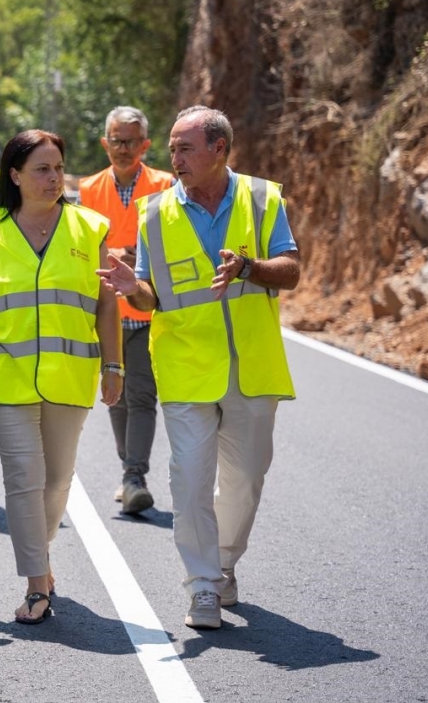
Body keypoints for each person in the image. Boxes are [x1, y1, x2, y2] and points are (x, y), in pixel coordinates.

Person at [97, 105, 300, 630]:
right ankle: (203, 585)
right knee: (189, 480)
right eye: (171, 149)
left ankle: (225, 561)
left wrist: (250, 269)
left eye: (185, 148)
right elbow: (150, 296)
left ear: (219, 150)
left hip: (251, 368)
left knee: (245, 480)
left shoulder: (261, 199)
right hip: (186, 367)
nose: (175, 158)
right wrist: (130, 287)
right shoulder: (153, 214)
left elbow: (291, 270)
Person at [0, 130, 122, 623]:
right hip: (5, 374)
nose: (53, 178)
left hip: (70, 374)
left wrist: (113, 364)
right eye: (42, 169)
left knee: (57, 480)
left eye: (58, 168)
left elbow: (107, 304)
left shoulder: (90, 228)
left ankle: (40, 559)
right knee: (24, 476)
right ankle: (36, 583)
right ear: (15, 176)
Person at [77, 106, 175, 514]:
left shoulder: (165, 184)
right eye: (116, 140)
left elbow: (171, 239)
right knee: (115, 395)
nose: (123, 148)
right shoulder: (88, 189)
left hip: (147, 303)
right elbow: (84, 246)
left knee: (142, 396)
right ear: (105, 143)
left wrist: (133, 257)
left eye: (131, 141)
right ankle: (128, 470)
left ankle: (134, 476)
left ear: (146, 145)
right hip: (107, 311)